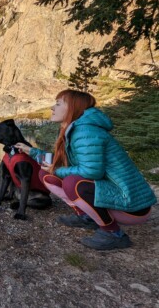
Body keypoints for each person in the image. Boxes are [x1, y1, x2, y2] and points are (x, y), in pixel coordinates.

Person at [14, 89, 157, 250]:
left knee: (73, 183)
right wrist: (32, 151)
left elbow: (90, 172)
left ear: (73, 107)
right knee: (46, 174)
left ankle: (113, 234)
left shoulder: (86, 131)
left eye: (58, 103)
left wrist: (57, 170)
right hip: (118, 195)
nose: (52, 108)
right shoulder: (77, 129)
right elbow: (64, 162)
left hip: (133, 206)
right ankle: (87, 216)